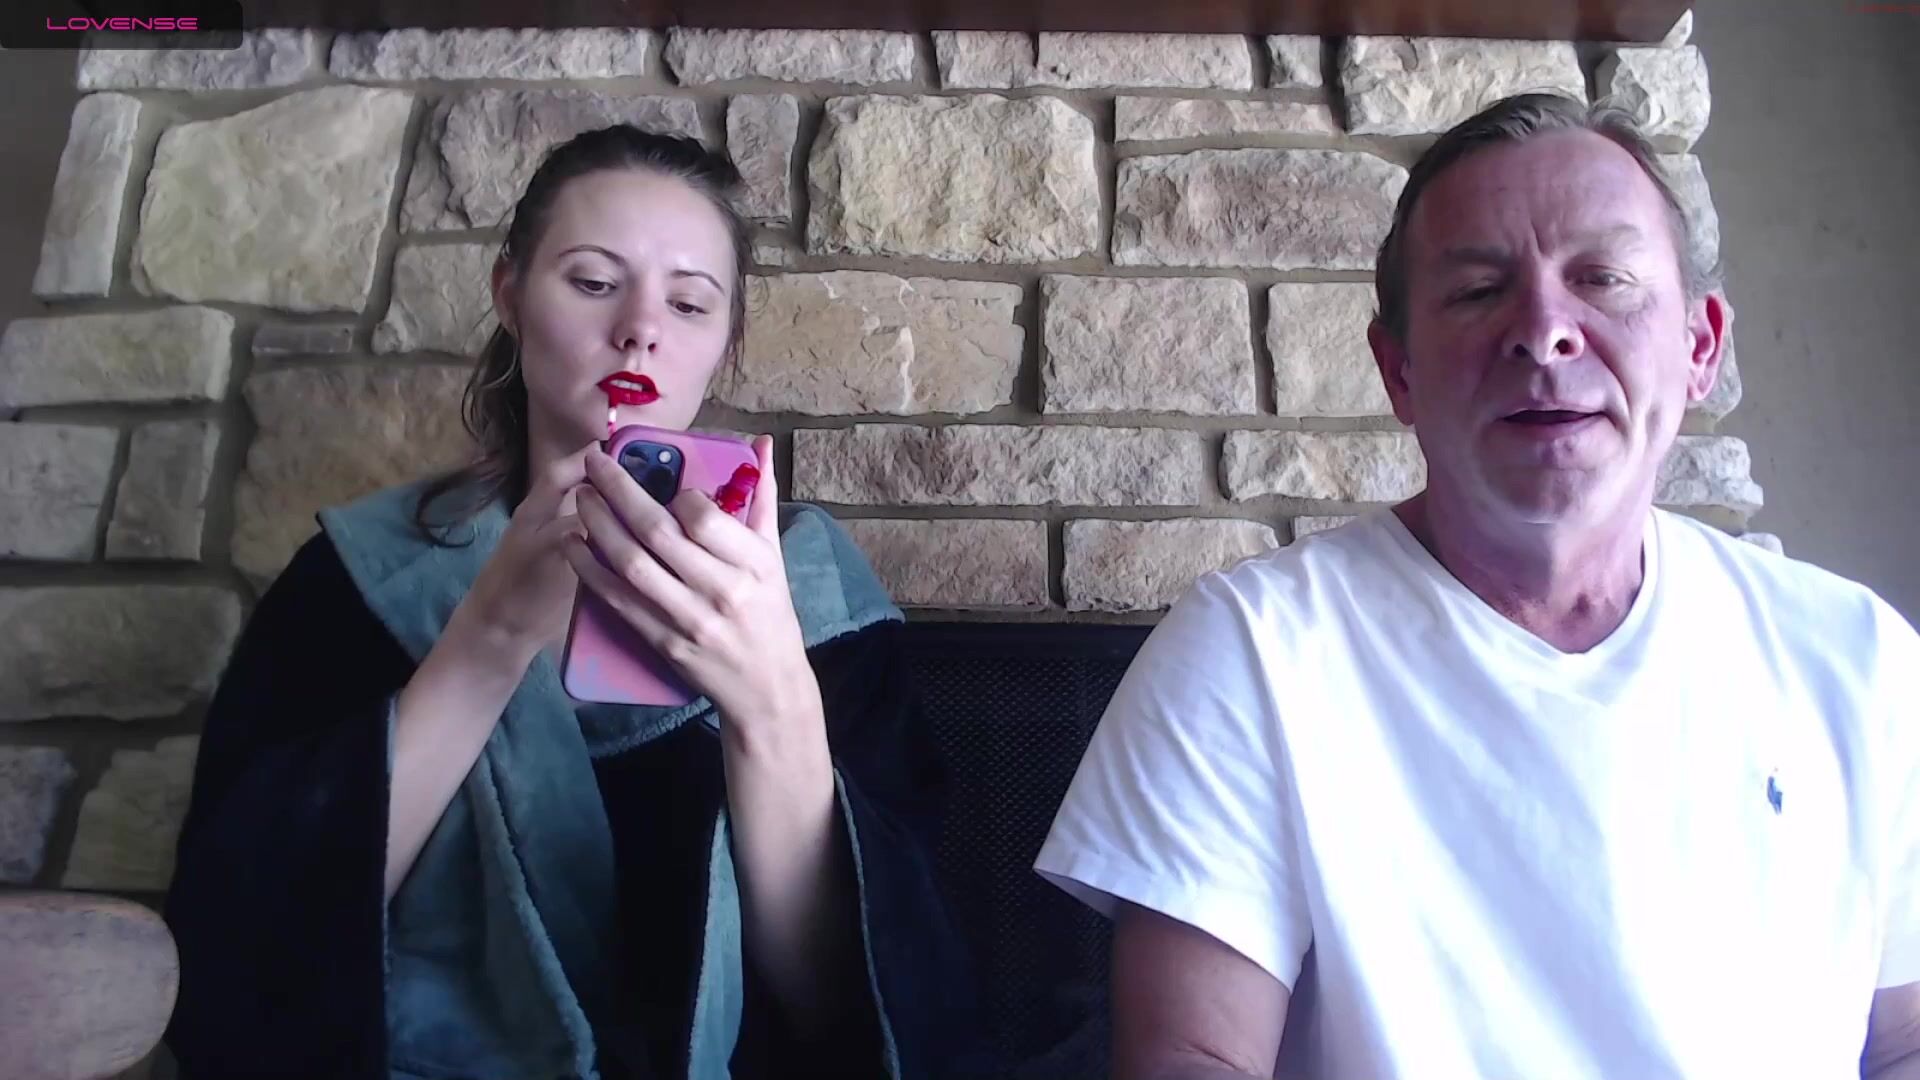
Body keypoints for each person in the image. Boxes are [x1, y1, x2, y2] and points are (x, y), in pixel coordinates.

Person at [1034, 92, 1920, 1078]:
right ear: (1399, 373)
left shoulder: (1860, 660)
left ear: (1700, 346)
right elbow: (1192, 1061)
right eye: (1477, 290)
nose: (1544, 331)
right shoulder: (1252, 652)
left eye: (1603, 279)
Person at [163, 126, 974, 1080]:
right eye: (593, 282)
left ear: (725, 341)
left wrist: (772, 703)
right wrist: (489, 637)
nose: (640, 329)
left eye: (689, 302)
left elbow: (857, 1007)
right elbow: (248, 947)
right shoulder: (362, 577)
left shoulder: (814, 596)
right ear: (510, 295)